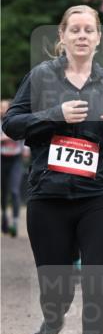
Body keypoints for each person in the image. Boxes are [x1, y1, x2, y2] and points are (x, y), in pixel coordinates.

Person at [2, 5, 103, 334]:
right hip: (48, 195)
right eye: (74, 30)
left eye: (89, 30)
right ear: (61, 37)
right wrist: (54, 114)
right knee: (56, 286)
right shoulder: (41, 77)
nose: (82, 36)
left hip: (97, 194)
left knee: (100, 280)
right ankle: (50, 323)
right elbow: (11, 124)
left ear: (98, 38)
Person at [1, 98, 29, 237]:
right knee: (3, 193)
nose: (1, 110)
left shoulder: (16, 121)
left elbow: (23, 136)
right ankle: (4, 216)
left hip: (16, 161)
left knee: (14, 191)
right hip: (2, 160)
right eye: (0, 107)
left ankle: (15, 223)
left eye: (4, 107)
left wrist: (26, 150)